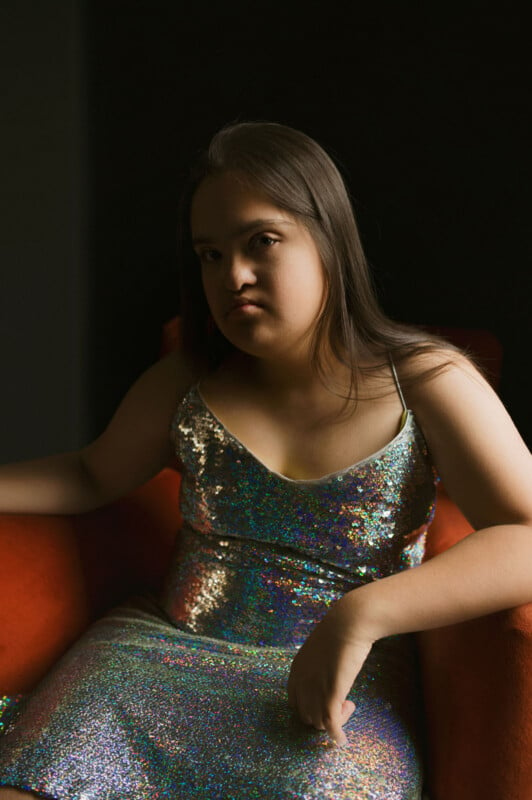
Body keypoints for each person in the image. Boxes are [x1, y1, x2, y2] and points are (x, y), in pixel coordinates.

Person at [0, 121, 531, 800]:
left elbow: (527, 534)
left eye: (262, 242)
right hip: (154, 664)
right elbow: (90, 474)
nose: (234, 276)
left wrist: (362, 614)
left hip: (330, 688)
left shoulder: (424, 380)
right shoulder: (189, 380)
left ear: (329, 242)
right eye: (210, 255)